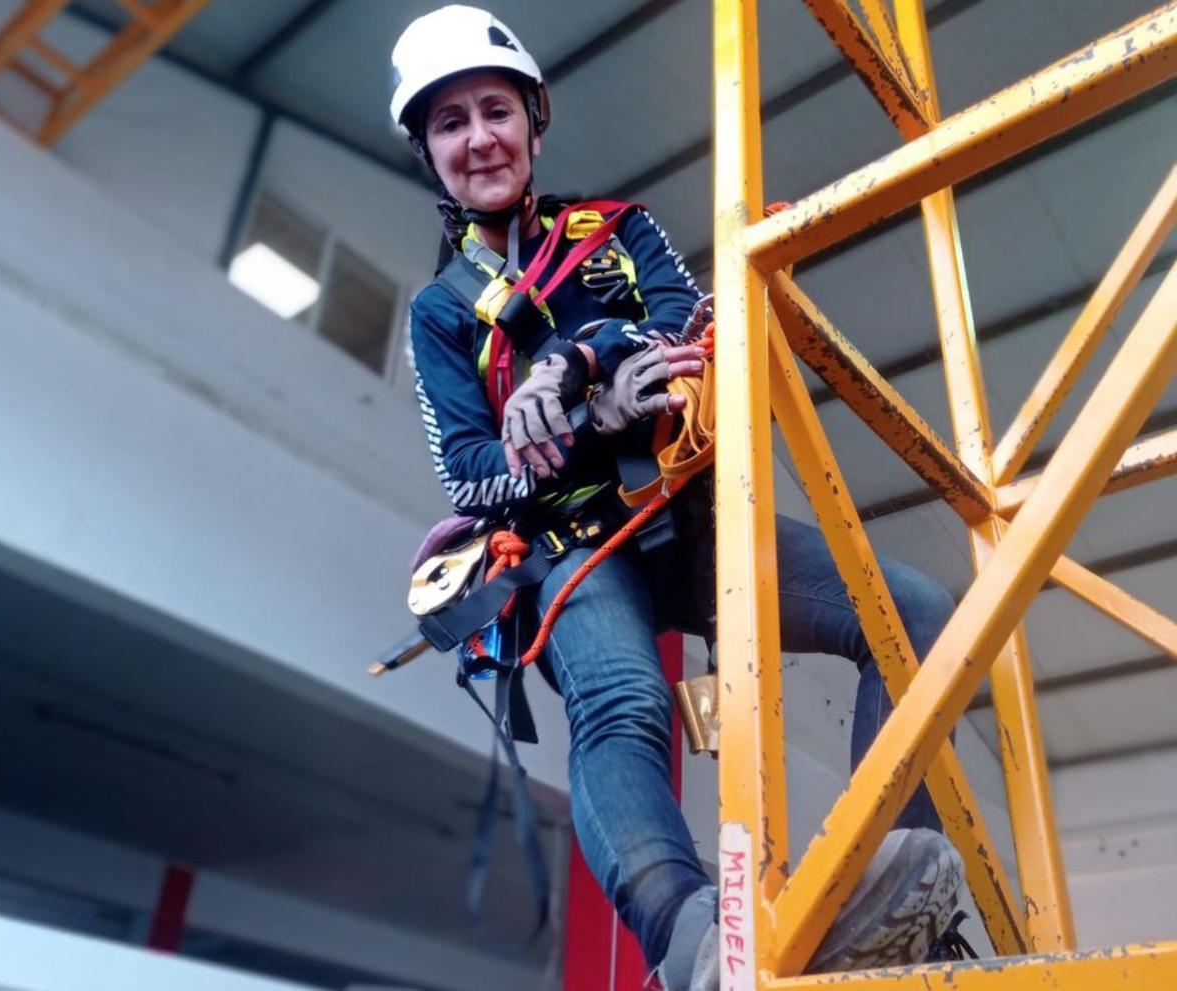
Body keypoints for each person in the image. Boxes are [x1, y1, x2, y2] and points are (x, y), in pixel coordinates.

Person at [392, 7, 966, 988]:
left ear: (535, 120)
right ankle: (693, 937)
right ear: (430, 154)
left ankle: (887, 877)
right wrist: (586, 424)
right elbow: (468, 467)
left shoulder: (619, 232)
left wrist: (579, 359)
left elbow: (687, 324)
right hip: (573, 547)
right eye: (450, 124)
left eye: (494, 110)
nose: (478, 137)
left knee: (911, 611)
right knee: (623, 705)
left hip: (685, 515)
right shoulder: (441, 314)